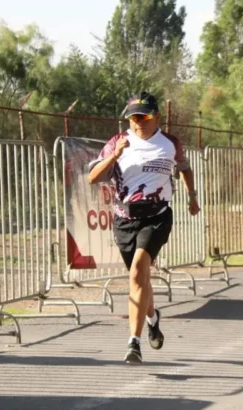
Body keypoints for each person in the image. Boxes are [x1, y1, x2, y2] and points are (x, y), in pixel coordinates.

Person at [87, 92, 200, 364]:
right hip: (124, 218)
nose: (138, 122)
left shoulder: (170, 143)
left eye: (144, 116)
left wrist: (192, 196)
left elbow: (184, 168)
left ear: (156, 117)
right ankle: (152, 317)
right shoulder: (118, 141)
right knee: (140, 279)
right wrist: (114, 156)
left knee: (139, 270)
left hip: (158, 216)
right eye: (133, 117)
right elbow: (93, 177)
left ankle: (133, 343)